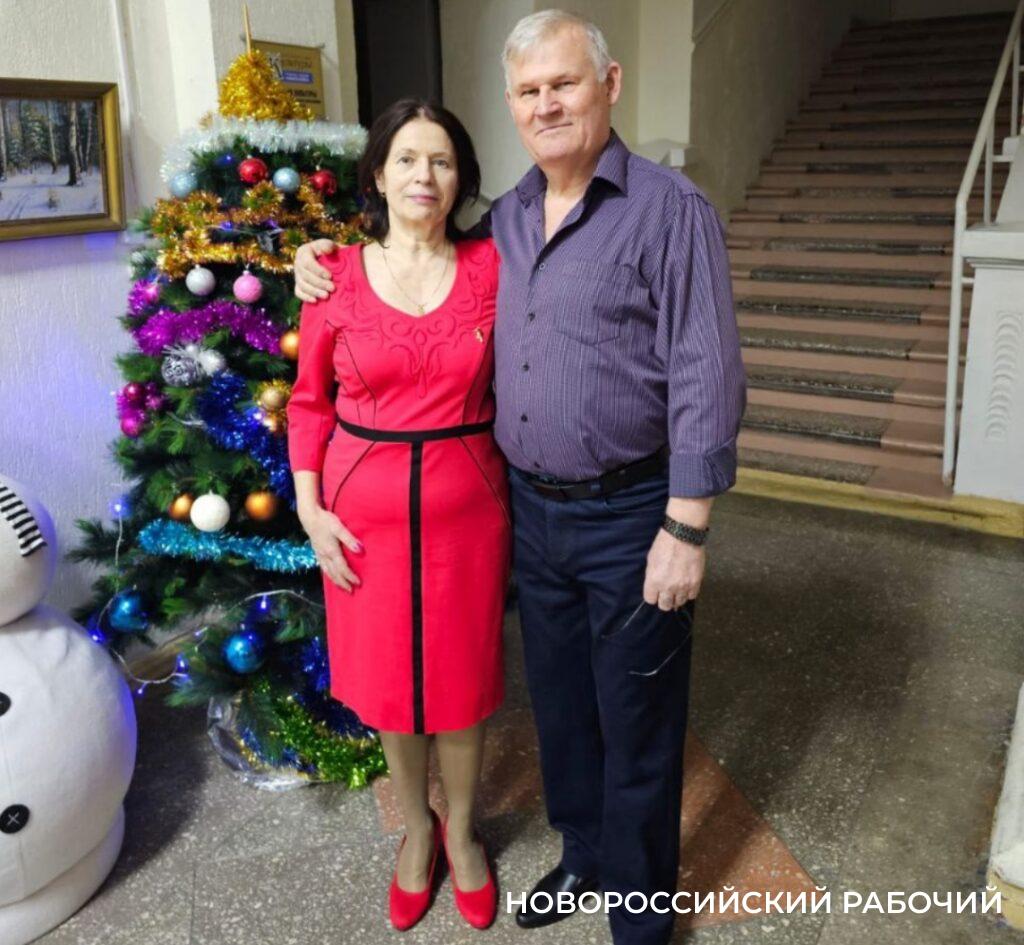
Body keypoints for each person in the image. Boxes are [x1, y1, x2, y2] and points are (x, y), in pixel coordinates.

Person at [294, 11, 746, 944]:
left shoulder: (671, 211)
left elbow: (707, 372)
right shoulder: (504, 221)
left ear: (609, 85)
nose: (547, 105)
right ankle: (583, 853)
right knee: (565, 708)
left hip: (633, 510)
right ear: (511, 105)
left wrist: (687, 524)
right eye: (529, 91)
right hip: (531, 513)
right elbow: (397, 271)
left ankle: (640, 909)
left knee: (639, 716)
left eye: (564, 84)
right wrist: (312, 257)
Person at [286, 98, 509, 932]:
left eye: (442, 161)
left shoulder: (495, 266)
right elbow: (307, 404)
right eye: (407, 159)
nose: (425, 175)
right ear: (378, 175)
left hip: (469, 512)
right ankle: (416, 828)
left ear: (461, 179)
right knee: (390, 685)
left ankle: (462, 829)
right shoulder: (333, 274)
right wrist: (309, 509)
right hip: (361, 519)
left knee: (461, 683)